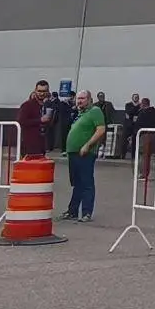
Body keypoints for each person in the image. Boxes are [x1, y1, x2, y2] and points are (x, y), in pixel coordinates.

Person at [62, 93, 105, 221]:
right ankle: (72, 211)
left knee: (86, 183)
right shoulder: (80, 113)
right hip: (74, 153)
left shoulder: (95, 111)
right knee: (77, 183)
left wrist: (87, 145)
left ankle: (86, 212)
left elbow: (101, 129)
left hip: (85, 153)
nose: (79, 101)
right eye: (78, 99)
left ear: (90, 100)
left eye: (82, 99)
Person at [17, 81, 50, 159]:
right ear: (35, 90)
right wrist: (39, 120)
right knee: (29, 170)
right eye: (39, 91)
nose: (42, 94)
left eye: (44, 91)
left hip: (42, 145)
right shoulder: (27, 105)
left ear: (48, 91)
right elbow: (21, 121)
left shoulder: (47, 105)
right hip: (29, 146)